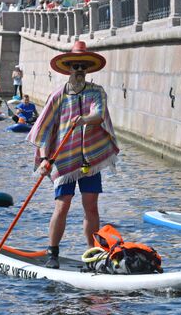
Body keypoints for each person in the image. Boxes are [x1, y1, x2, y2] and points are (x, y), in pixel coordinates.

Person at [26, 41, 119, 269]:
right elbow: (44, 129)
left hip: (89, 159)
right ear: (68, 68)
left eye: (83, 67)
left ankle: (93, 254)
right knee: (62, 205)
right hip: (64, 160)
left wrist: (84, 119)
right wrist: (46, 158)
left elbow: (98, 115)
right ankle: (53, 253)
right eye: (75, 66)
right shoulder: (58, 96)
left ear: (87, 70)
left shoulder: (97, 92)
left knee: (91, 206)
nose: (79, 70)